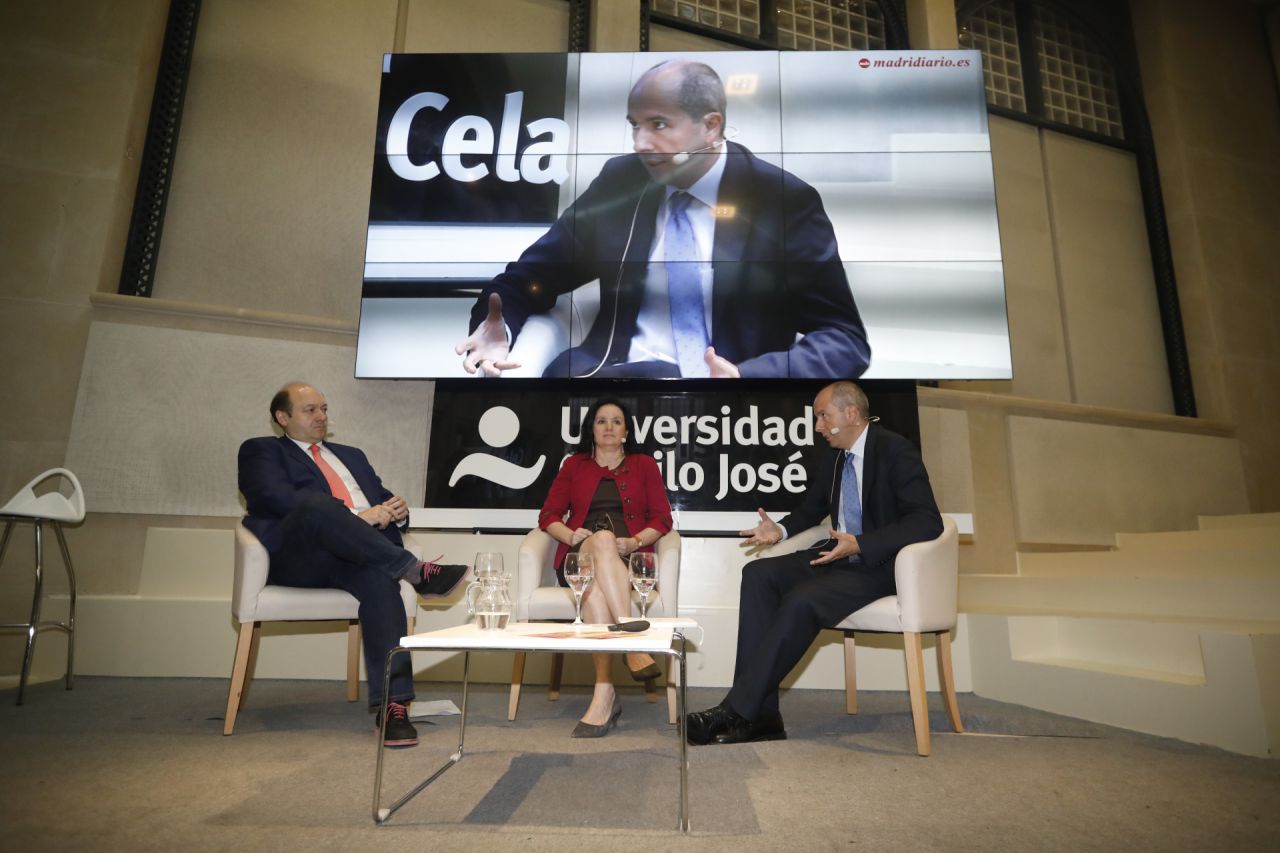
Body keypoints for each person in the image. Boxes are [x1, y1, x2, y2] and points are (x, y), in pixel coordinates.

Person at [455, 58, 869, 380]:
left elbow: (844, 339)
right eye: (634, 126)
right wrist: (500, 329)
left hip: (730, 410)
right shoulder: (621, 182)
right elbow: (529, 279)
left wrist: (749, 375)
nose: (640, 144)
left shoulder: (781, 200)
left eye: (658, 125)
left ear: (711, 126)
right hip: (611, 385)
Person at [685, 381, 943, 745]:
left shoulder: (895, 450)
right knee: (759, 573)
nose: (819, 426)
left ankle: (738, 710)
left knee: (803, 599)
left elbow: (927, 520)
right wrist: (780, 530)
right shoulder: (836, 457)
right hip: (836, 557)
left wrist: (861, 544)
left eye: (824, 416)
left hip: (879, 566)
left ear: (851, 413)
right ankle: (764, 716)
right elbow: (812, 508)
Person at [237, 383, 469, 748]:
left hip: (359, 557)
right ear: (283, 418)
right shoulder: (261, 451)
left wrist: (397, 513)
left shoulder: (352, 455)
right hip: (302, 557)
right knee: (318, 505)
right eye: (310, 410)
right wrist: (357, 516)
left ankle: (393, 705)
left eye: (324, 409)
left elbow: (380, 499)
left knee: (379, 580)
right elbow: (273, 498)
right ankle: (414, 570)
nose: (321, 417)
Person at [537, 399, 674, 736]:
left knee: (598, 575)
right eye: (602, 421)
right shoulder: (574, 466)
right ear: (592, 430)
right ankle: (632, 638)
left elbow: (662, 518)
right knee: (600, 540)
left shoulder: (644, 465)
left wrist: (636, 541)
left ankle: (604, 693)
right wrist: (571, 535)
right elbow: (548, 516)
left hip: (628, 558)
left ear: (627, 431)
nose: (609, 427)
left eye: (617, 421)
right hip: (581, 554)